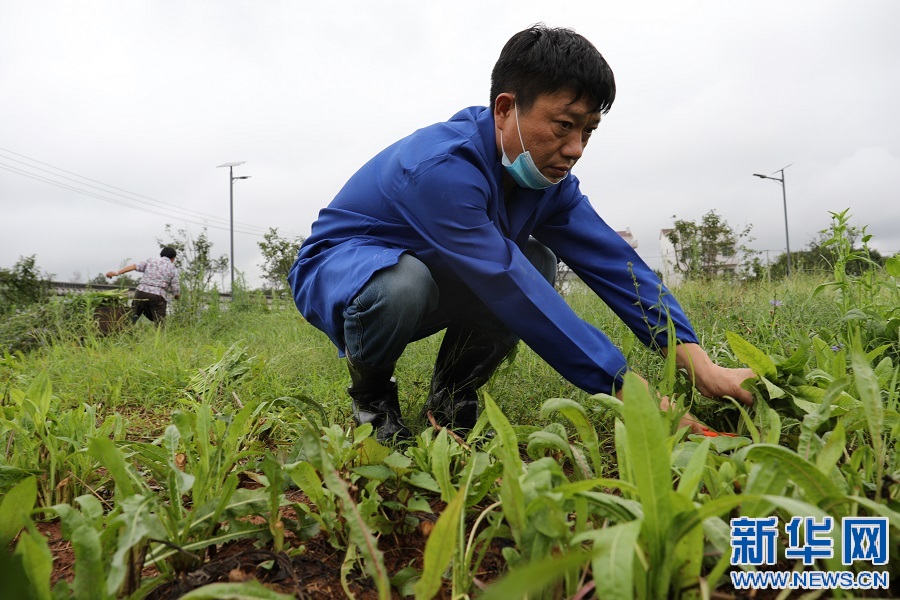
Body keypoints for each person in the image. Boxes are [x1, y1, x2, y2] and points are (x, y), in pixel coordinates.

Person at [288, 24, 754, 442]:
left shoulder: (545, 181)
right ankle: (372, 401)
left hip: (432, 271)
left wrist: (700, 365)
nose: (574, 150)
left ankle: (452, 397)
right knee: (406, 282)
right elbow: (509, 285)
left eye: (588, 132)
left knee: (537, 259)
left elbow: (617, 265)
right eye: (564, 125)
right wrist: (627, 389)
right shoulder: (441, 169)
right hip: (346, 271)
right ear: (506, 109)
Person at [106, 247, 181, 323]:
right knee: (159, 322)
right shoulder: (173, 268)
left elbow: (134, 266)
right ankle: (159, 333)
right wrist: (177, 296)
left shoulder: (151, 260)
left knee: (132, 317)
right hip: (157, 296)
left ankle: (125, 330)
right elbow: (175, 286)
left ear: (161, 255)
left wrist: (117, 273)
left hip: (141, 292)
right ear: (173, 258)